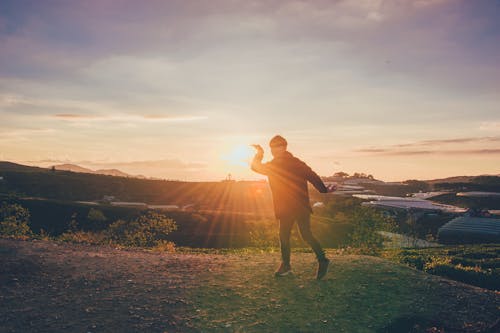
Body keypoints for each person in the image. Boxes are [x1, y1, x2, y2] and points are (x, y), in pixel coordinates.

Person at [251, 135, 335, 280]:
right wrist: (259, 154)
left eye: (277, 147)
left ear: (284, 147)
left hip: (296, 206)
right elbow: (255, 167)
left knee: (299, 235)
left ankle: (318, 260)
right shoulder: (277, 164)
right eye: (272, 148)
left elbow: (311, 175)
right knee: (289, 236)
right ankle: (289, 265)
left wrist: (324, 189)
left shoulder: (290, 163)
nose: (274, 150)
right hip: (290, 206)